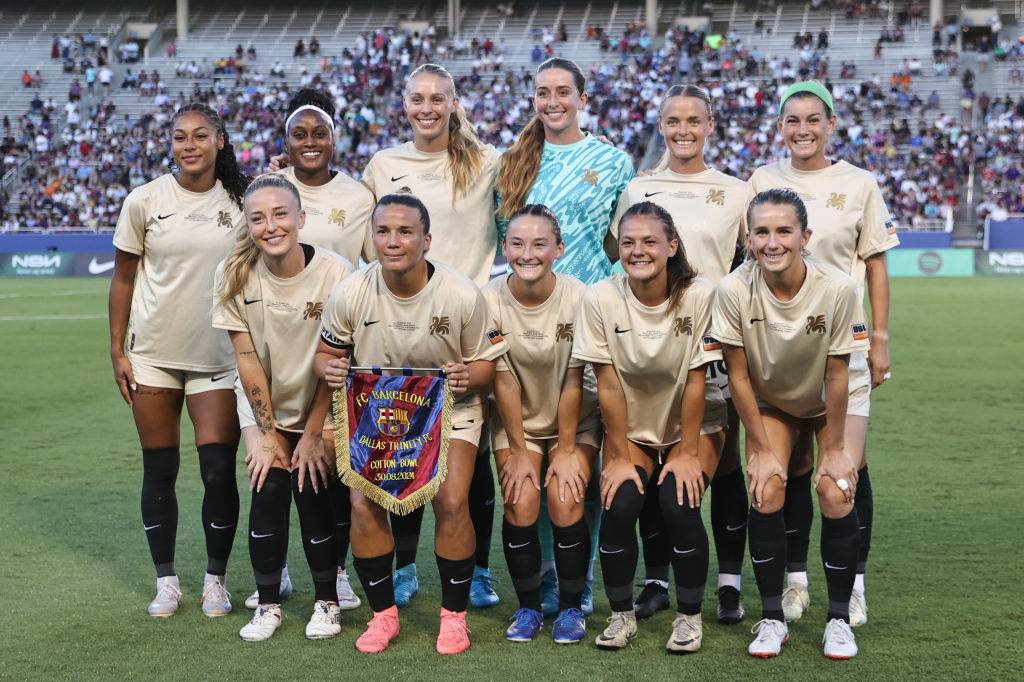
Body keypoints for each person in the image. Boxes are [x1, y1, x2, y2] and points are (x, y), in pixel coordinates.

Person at [315, 193, 508, 654]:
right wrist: (330, 368)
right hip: (379, 413)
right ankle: (383, 617)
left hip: (448, 410)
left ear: (426, 239)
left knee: (451, 499)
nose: (393, 241)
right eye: (383, 231)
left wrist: (468, 375)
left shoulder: (461, 292)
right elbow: (325, 354)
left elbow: (488, 364)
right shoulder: (351, 291)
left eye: (405, 231)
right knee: (363, 505)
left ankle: (454, 619)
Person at [748, 81, 897, 627]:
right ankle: (796, 583)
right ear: (780, 127)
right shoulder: (762, 180)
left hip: (843, 345)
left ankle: (854, 585)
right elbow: (752, 256)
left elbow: (875, 263)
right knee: (792, 465)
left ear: (831, 124)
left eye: (814, 119)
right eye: (793, 120)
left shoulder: (859, 183)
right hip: (781, 348)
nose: (803, 129)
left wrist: (880, 339)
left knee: (847, 469)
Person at [358, 63, 503, 609]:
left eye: (437, 98)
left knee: (473, 460)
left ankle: (479, 571)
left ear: (454, 104)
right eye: (417, 98)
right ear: (404, 105)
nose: (427, 107)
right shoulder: (384, 164)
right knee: (404, 448)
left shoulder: (485, 162)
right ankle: (403, 567)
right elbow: (354, 224)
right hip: (401, 323)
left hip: (468, 327)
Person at [497, 56, 635, 616]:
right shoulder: (511, 161)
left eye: (562, 91)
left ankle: (585, 571)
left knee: (582, 458)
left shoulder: (613, 161)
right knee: (531, 459)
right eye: (542, 92)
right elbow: (502, 238)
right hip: (527, 325)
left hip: (590, 318)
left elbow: (621, 241)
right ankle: (547, 576)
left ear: (582, 98)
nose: (552, 101)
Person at [611, 84, 753, 626]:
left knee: (726, 463)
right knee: (657, 456)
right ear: (661, 126)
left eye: (694, 120)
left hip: (717, 342)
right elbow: (623, 256)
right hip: (652, 346)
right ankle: (656, 582)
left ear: (710, 125)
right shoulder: (640, 186)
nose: (683, 130)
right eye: (673, 121)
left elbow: (752, 261)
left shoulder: (735, 191)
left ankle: (730, 585)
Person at [711, 188, 868, 659]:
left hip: (832, 395)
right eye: (761, 232)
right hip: (772, 396)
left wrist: (834, 449)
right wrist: (760, 449)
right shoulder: (733, 290)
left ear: (805, 236)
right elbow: (738, 376)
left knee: (836, 488)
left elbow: (838, 375)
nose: (772, 242)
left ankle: (839, 620)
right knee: (766, 487)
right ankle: (773, 619)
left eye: (784, 231)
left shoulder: (838, 287)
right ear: (748, 238)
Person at [108, 103, 250, 618]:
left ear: (220, 140)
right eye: (179, 136)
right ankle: (166, 582)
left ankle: (216, 582)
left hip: (218, 356)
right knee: (160, 468)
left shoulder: (242, 201)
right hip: (152, 357)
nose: (189, 145)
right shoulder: (144, 200)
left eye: (200, 135)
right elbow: (123, 278)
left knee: (218, 470)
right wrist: (117, 350)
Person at [239, 89, 372, 613]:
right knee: (270, 474)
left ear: (335, 137)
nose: (310, 142)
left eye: (320, 133)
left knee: (327, 478)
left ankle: (335, 574)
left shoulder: (359, 196)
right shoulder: (267, 189)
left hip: (333, 350)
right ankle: (277, 575)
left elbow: (372, 266)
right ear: (286, 141)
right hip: (275, 347)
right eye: (300, 134)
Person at [572, 202, 721, 652]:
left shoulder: (700, 295)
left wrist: (687, 452)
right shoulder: (600, 298)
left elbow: (696, 380)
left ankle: (689, 619)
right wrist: (618, 456)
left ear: (672, 246)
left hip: (695, 424)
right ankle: (622, 617)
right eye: (629, 242)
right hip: (633, 426)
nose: (638, 251)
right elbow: (608, 385)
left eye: (650, 241)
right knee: (619, 505)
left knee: (679, 502)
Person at [213, 175, 356, 641]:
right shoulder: (233, 273)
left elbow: (337, 362)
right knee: (268, 483)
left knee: (312, 483)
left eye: (280, 214)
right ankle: (268, 605)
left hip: (323, 401)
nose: (270, 226)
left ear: (301, 218)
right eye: (258, 218)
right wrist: (269, 434)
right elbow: (247, 359)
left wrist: (312, 434)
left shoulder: (337, 273)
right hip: (265, 403)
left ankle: (327, 602)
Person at [483, 204, 601, 645]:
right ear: (505, 247)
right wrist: (518, 451)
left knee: (565, 499)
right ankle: (529, 607)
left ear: (559, 249)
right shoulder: (488, 300)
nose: (527, 253)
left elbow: (574, 378)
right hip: (518, 421)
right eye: (517, 244)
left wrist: (566, 450)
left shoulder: (581, 298)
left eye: (539, 244)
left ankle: (571, 607)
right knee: (520, 502)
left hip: (577, 417)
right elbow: (503, 378)